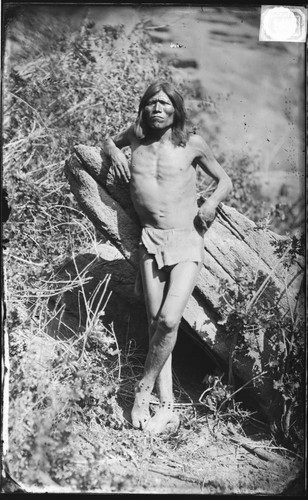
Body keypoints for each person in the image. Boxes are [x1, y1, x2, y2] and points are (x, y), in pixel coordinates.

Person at [102, 81, 232, 434]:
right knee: (155, 322)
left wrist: (211, 203)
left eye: (164, 104)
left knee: (170, 320)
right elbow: (108, 141)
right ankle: (169, 405)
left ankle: (141, 391)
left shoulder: (191, 144)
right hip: (150, 240)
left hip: (187, 240)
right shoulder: (135, 137)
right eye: (151, 103)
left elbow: (224, 181)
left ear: (175, 109)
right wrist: (114, 151)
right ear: (143, 108)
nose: (157, 109)